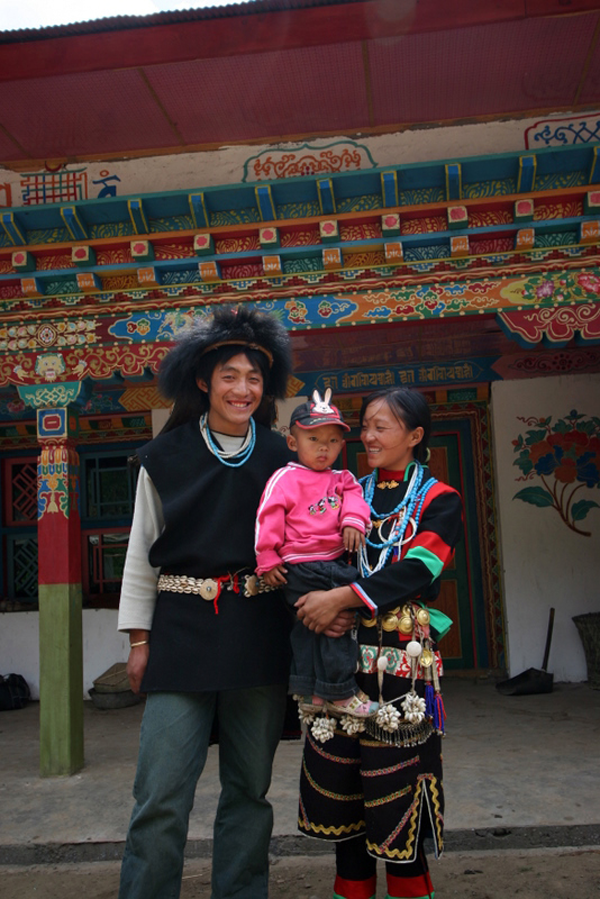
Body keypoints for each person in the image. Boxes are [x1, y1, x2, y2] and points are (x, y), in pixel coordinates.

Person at [117, 305, 295, 899]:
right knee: (161, 794)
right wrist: (139, 640)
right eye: (229, 376)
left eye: (253, 378)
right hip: (181, 636)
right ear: (203, 381)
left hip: (259, 636)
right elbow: (141, 554)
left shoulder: (282, 459)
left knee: (249, 791)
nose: (243, 389)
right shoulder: (164, 457)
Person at [293, 386, 463, 899]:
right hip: (337, 662)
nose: (366, 436)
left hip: (399, 673)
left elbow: (419, 569)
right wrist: (317, 603)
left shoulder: (439, 499)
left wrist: (341, 598)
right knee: (343, 808)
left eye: (380, 427)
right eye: (364, 425)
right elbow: (309, 550)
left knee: (397, 805)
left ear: (414, 436)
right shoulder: (345, 491)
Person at [255, 389, 376, 718]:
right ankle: (341, 691)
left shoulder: (342, 479)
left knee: (311, 628)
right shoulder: (285, 478)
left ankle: (312, 693)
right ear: (292, 443)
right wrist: (267, 558)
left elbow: (356, 501)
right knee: (339, 621)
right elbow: (268, 517)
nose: (324, 448)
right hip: (301, 565)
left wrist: (352, 522)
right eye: (314, 439)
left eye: (332, 441)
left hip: (331, 560)